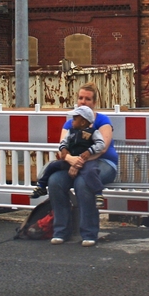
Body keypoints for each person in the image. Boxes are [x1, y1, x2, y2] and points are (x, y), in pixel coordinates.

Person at [46, 82, 118, 246]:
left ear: (94, 102)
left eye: (87, 99)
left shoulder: (102, 120)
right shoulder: (71, 123)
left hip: (103, 163)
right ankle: (61, 231)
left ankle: (89, 233)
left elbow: (102, 148)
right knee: (55, 181)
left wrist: (78, 162)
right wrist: (72, 161)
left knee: (83, 183)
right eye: (80, 98)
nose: (83, 102)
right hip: (75, 163)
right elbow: (63, 148)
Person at [31, 105, 106, 202]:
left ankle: (98, 193)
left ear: (83, 122)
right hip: (70, 160)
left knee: (91, 171)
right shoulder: (70, 132)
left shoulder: (93, 132)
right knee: (52, 166)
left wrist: (90, 151)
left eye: (75, 119)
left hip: (86, 161)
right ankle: (41, 186)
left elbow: (101, 144)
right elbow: (63, 142)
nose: (72, 121)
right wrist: (63, 150)